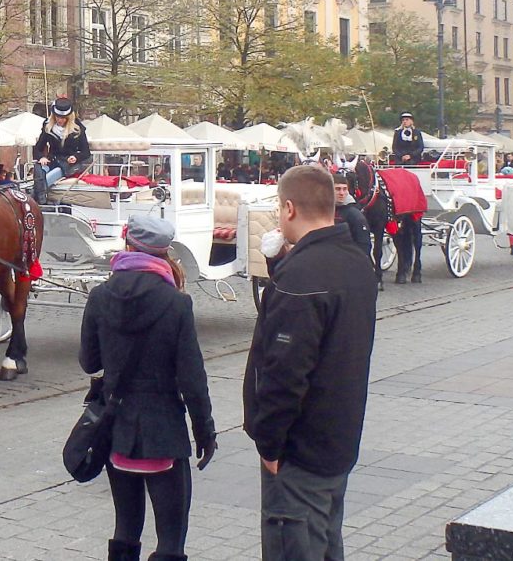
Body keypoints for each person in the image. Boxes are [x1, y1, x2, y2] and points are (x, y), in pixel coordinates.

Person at [243, 165, 378, 561]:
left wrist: (269, 445)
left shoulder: (302, 276)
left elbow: (284, 374)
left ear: (288, 208)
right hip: (338, 438)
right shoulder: (356, 261)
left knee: (296, 545)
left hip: (299, 452)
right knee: (325, 543)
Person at [80, 215, 216, 561]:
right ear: (165, 252)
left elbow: (88, 362)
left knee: (125, 528)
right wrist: (205, 432)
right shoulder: (176, 303)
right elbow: (192, 378)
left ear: (127, 244)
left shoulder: (99, 296)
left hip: (116, 428)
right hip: (164, 433)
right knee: (171, 541)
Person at [32, 98, 91, 205]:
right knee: (38, 169)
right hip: (52, 160)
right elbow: (38, 148)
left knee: (47, 178)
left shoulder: (77, 128)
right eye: (58, 117)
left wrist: (75, 157)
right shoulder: (48, 126)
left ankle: (39, 201)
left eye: (63, 118)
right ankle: (41, 200)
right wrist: (41, 157)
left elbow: (86, 152)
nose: (60, 120)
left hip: (68, 163)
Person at [333, 174, 372, 257]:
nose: (342, 193)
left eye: (344, 189)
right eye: (338, 189)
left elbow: (364, 246)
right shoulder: (324, 211)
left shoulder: (355, 215)